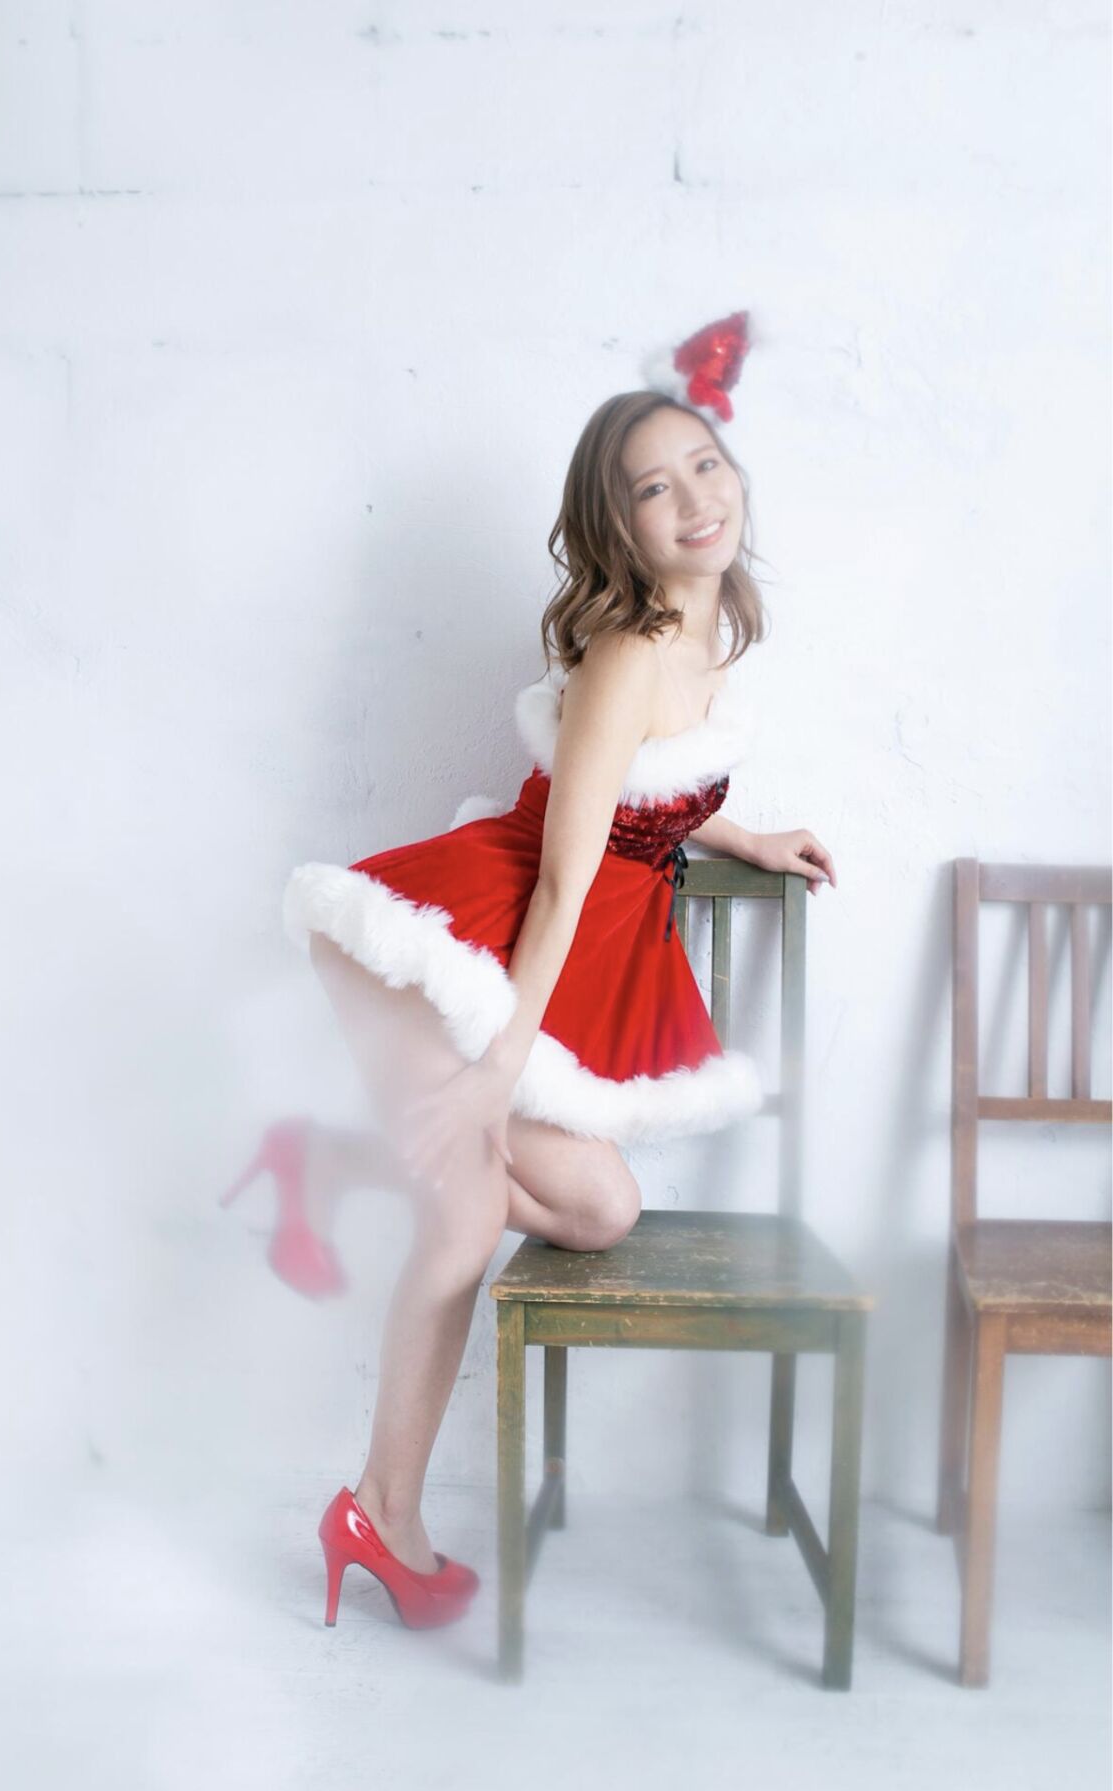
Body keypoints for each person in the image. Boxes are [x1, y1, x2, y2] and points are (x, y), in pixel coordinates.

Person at [225, 314, 838, 1631]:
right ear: (618, 525)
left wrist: (741, 835)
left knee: (602, 1207)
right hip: (451, 945)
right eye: (654, 488)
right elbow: (562, 881)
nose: (694, 499)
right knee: (460, 1222)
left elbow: (637, 798)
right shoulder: (628, 650)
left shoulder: (707, 628)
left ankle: (319, 1160)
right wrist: (503, 1059)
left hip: (529, 958)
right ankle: (379, 1516)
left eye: (704, 465)